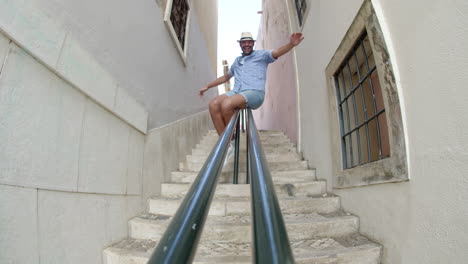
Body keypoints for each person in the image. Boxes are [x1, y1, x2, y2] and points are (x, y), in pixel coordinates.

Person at [199, 31, 304, 163]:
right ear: (240, 45)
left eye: (249, 42)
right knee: (213, 104)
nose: (246, 44)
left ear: (253, 43)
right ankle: (227, 145)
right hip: (237, 91)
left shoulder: (261, 55)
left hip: (254, 92)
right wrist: (208, 86)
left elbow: (277, 52)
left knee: (226, 104)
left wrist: (291, 44)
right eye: (244, 42)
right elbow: (226, 77)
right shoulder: (237, 61)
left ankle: (231, 139)